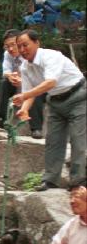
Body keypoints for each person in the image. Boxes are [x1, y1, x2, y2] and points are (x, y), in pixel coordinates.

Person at [12, 29, 86, 190]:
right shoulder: (25, 67)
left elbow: (50, 83)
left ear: (37, 43)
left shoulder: (51, 56)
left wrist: (25, 96)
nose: (23, 50)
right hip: (55, 102)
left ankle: (78, 182)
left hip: (78, 97)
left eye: (25, 45)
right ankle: (50, 180)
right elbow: (28, 92)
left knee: (77, 140)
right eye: (20, 47)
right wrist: (24, 109)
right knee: (53, 141)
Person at [0, 29, 45, 139]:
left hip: (41, 86)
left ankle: (36, 128)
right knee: (5, 83)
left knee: (33, 90)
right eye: (7, 46)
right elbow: (6, 71)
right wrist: (11, 76)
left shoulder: (33, 53)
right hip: (20, 84)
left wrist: (23, 80)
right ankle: (1, 119)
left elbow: (39, 79)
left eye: (14, 45)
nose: (11, 49)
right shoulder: (8, 54)